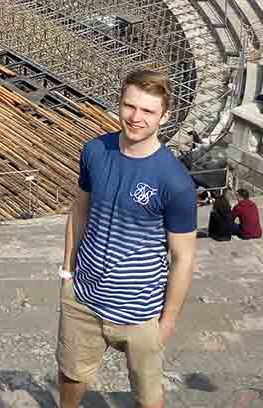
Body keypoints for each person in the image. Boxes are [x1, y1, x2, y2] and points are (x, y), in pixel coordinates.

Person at [58, 70, 197, 408]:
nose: (136, 118)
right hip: (84, 297)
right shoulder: (94, 151)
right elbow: (80, 208)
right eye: (129, 106)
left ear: (164, 117)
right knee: (71, 375)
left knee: (148, 396)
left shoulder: (175, 182)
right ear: (119, 105)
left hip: (141, 309)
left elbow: (183, 257)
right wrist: (67, 272)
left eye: (148, 111)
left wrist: (167, 322)